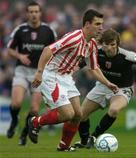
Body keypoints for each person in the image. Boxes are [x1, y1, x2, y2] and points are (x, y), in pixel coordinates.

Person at [29, 9, 119, 152]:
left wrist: (107, 83)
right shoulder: (75, 37)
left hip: (66, 78)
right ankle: (35, 122)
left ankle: (63, 147)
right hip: (51, 75)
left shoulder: (92, 44)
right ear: (87, 24)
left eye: (102, 24)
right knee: (67, 114)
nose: (101, 27)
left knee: (78, 114)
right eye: (97, 24)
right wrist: (39, 73)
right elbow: (48, 50)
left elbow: (94, 68)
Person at [74, 28, 136, 148]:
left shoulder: (127, 56)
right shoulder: (96, 51)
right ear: (102, 43)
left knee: (113, 110)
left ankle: (93, 137)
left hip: (122, 89)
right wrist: (72, 71)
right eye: (106, 44)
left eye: (112, 44)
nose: (109, 48)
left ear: (117, 43)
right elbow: (82, 62)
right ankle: (84, 142)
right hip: (102, 86)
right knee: (81, 114)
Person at [6, 1, 57, 146]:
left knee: (34, 109)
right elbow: (9, 50)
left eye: (36, 11)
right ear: (27, 14)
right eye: (31, 12)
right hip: (22, 70)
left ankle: (23, 134)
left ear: (40, 13)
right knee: (16, 103)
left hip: (39, 73)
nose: (34, 14)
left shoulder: (48, 31)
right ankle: (14, 121)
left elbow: (55, 51)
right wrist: (20, 56)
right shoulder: (20, 30)